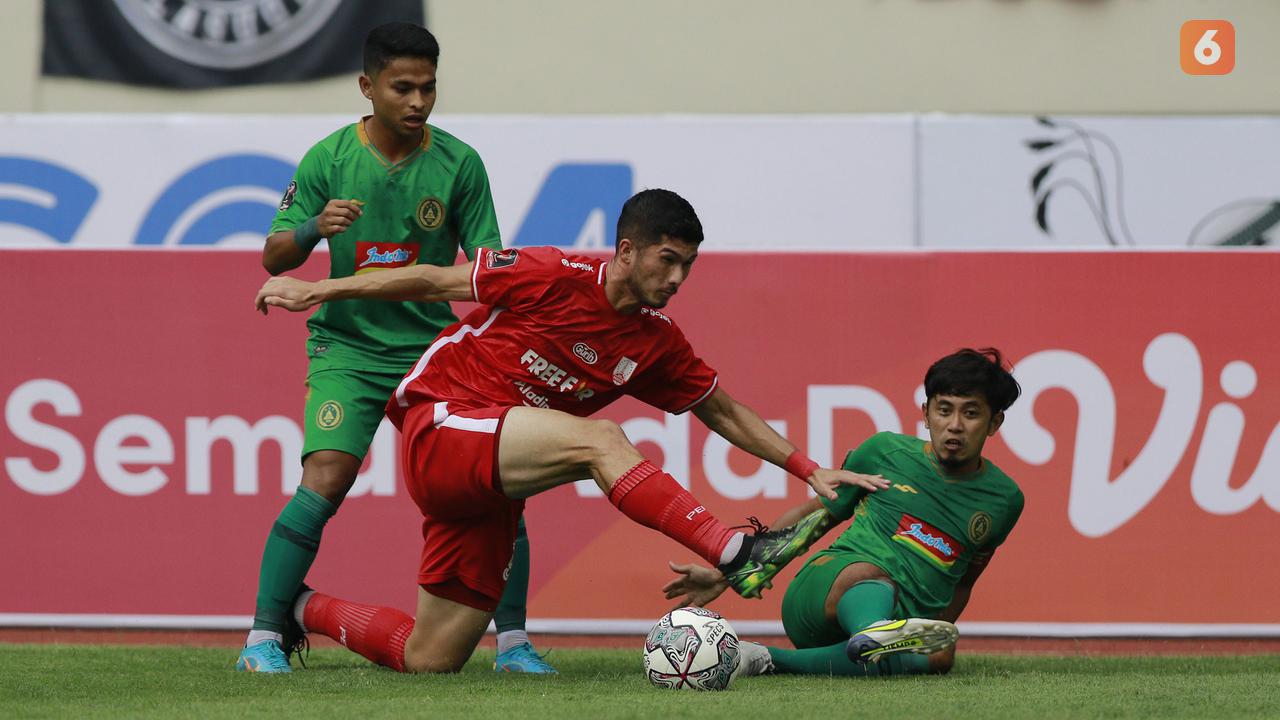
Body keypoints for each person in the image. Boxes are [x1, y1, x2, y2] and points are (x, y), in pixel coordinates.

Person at [253, 188, 890, 673]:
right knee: (601, 440)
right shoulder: (552, 273)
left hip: (485, 487)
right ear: (627, 250)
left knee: (431, 657)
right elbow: (432, 278)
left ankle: (299, 609)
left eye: (688, 266)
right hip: (442, 421)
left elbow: (722, 410)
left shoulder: (656, 343)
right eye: (667, 260)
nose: (676, 279)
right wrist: (323, 289)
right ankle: (733, 552)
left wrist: (809, 469)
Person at [237, 22, 550, 674]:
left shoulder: (459, 165)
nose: (417, 101)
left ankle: (515, 646)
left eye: (428, 88)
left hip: (434, 355)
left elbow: (486, 269)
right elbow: (273, 256)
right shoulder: (329, 159)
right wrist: (311, 228)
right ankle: (263, 639)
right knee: (326, 475)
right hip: (347, 350)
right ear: (367, 87)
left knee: (494, 485)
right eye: (402, 87)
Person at [664, 348, 1024, 679]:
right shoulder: (884, 452)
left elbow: (964, 580)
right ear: (926, 413)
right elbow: (815, 517)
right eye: (944, 409)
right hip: (826, 591)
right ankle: (873, 630)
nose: (955, 425)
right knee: (870, 573)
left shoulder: (1004, 500)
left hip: (902, 617)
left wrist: (935, 635)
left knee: (941, 656)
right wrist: (728, 572)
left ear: (994, 423)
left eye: (971, 413)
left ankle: (765, 658)